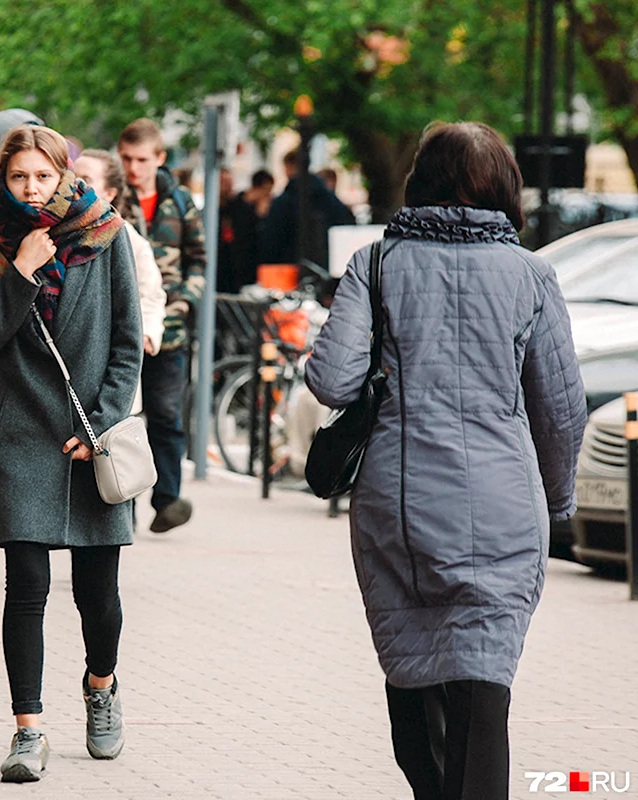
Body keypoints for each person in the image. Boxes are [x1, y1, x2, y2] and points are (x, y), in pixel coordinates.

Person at [304, 122, 587, 800]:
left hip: (401, 513)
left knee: (413, 675)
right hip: (505, 511)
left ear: (418, 181)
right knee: (484, 691)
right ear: (506, 188)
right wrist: (557, 504)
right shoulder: (532, 276)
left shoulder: (377, 264)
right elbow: (563, 410)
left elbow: (332, 382)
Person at [0, 124, 142, 783]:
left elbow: (128, 341)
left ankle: (101, 683)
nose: (31, 188)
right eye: (18, 178)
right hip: (22, 431)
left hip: (92, 439)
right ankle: (27, 730)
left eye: (42, 176)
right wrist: (20, 272)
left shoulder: (107, 232)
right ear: (1, 179)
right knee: (27, 585)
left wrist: (100, 422)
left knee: (99, 593)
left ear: (63, 175)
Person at [117, 118, 205, 534]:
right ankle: (123, 505)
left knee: (167, 416)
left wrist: (185, 302)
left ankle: (167, 500)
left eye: (141, 160)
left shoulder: (181, 202)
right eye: (127, 159)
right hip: (125, 330)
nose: (134, 168)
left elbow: (199, 260)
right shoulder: (114, 200)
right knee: (124, 417)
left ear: (159, 159)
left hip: (171, 331)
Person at [74, 148, 165, 365]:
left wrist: (141, 337)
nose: (75, 186)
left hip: (110, 360)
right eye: (72, 177)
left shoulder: (126, 237)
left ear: (110, 193)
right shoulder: (52, 230)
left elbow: (151, 294)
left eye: (86, 180)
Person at [258, 150, 355, 271]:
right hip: (328, 268)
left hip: (290, 270)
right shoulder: (329, 198)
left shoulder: (284, 201)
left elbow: (272, 242)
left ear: (287, 167)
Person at [218, 168, 274, 293]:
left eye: (229, 182)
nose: (227, 187)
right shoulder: (212, 214)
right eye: (223, 182)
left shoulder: (240, 208)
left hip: (239, 273)